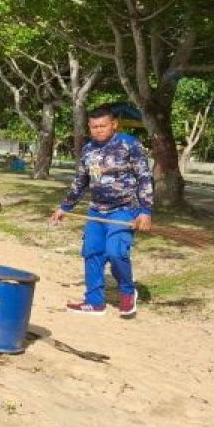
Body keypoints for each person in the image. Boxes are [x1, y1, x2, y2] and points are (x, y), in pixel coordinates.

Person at [49, 105, 154, 318]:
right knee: (92, 252)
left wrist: (145, 211)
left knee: (116, 252)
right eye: (94, 126)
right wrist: (64, 207)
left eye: (102, 126)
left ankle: (127, 292)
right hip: (96, 211)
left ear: (114, 124)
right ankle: (95, 302)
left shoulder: (129, 144)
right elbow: (80, 182)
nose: (98, 130)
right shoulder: (88, 150)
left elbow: (144, 177)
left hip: (124, 209)